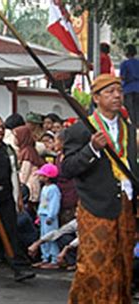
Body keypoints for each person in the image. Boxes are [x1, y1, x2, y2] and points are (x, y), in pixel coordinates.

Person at [63, 74, 137, 303]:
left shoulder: (129, 127)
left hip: (125, 204)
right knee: (94, 265)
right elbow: (67, 168)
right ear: (95, 98)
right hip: (95, 205)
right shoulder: (82, 128)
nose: (116, 96)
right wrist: (91, 149)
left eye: (119, 91)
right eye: (109, 92)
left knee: (122, 262)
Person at [0, 114, 35, 282]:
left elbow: (14, 173)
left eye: (2, 128)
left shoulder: (8, 150)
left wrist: (18, 197)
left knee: (11, 230)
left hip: (6, 195)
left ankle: (17, 267)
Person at [33, 163, 61, 269]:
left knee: (51, 237)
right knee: (43, 237)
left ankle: (54, 259)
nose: (40, 177)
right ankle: (45, 257)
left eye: (42, 175)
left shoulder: (53, 189)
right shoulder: (45, 188)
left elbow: (54, 204)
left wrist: (51, 216)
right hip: (43, 215)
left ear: (48, 177)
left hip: (49, 217)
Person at [14, 125, 44, 216]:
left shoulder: (27, 152)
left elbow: (24, 175)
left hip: (29, 189)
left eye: (16, 136)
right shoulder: (27, 150)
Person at [120, 44, 139, 125]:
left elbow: (122, 77)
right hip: (138, 88)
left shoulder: (124, 63)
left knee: (129, 112)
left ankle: (132, 132)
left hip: (128, 89)